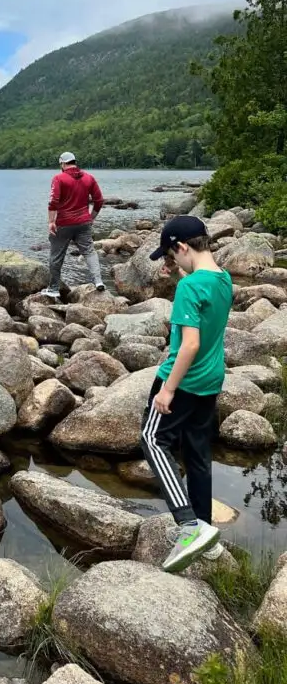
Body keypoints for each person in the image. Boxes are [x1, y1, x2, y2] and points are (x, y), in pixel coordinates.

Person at [140, 215, 233, 573]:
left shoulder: (189, 289)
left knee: (152, 440)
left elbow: (189, 344)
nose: (171, 262)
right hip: (210, 381)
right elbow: (203, 296)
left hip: (183, 380)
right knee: (197, 452)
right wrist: (182, 275)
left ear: (182, 247)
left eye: (171, 255)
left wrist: (167, 389)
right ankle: (206, 532)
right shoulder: (223, 280)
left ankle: (189, 524)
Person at [41, 152, 105, 300]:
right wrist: (91, 217)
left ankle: (54, 288)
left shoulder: (59, 178)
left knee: (56, 256)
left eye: (60, 165)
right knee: (89, 251)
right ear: (74, 162)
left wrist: (51, 222)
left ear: (63, 164)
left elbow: (53, 202)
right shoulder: (89, 178)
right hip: (83, 223)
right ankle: (98, 281)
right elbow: (99, 200)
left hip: (63, 224)